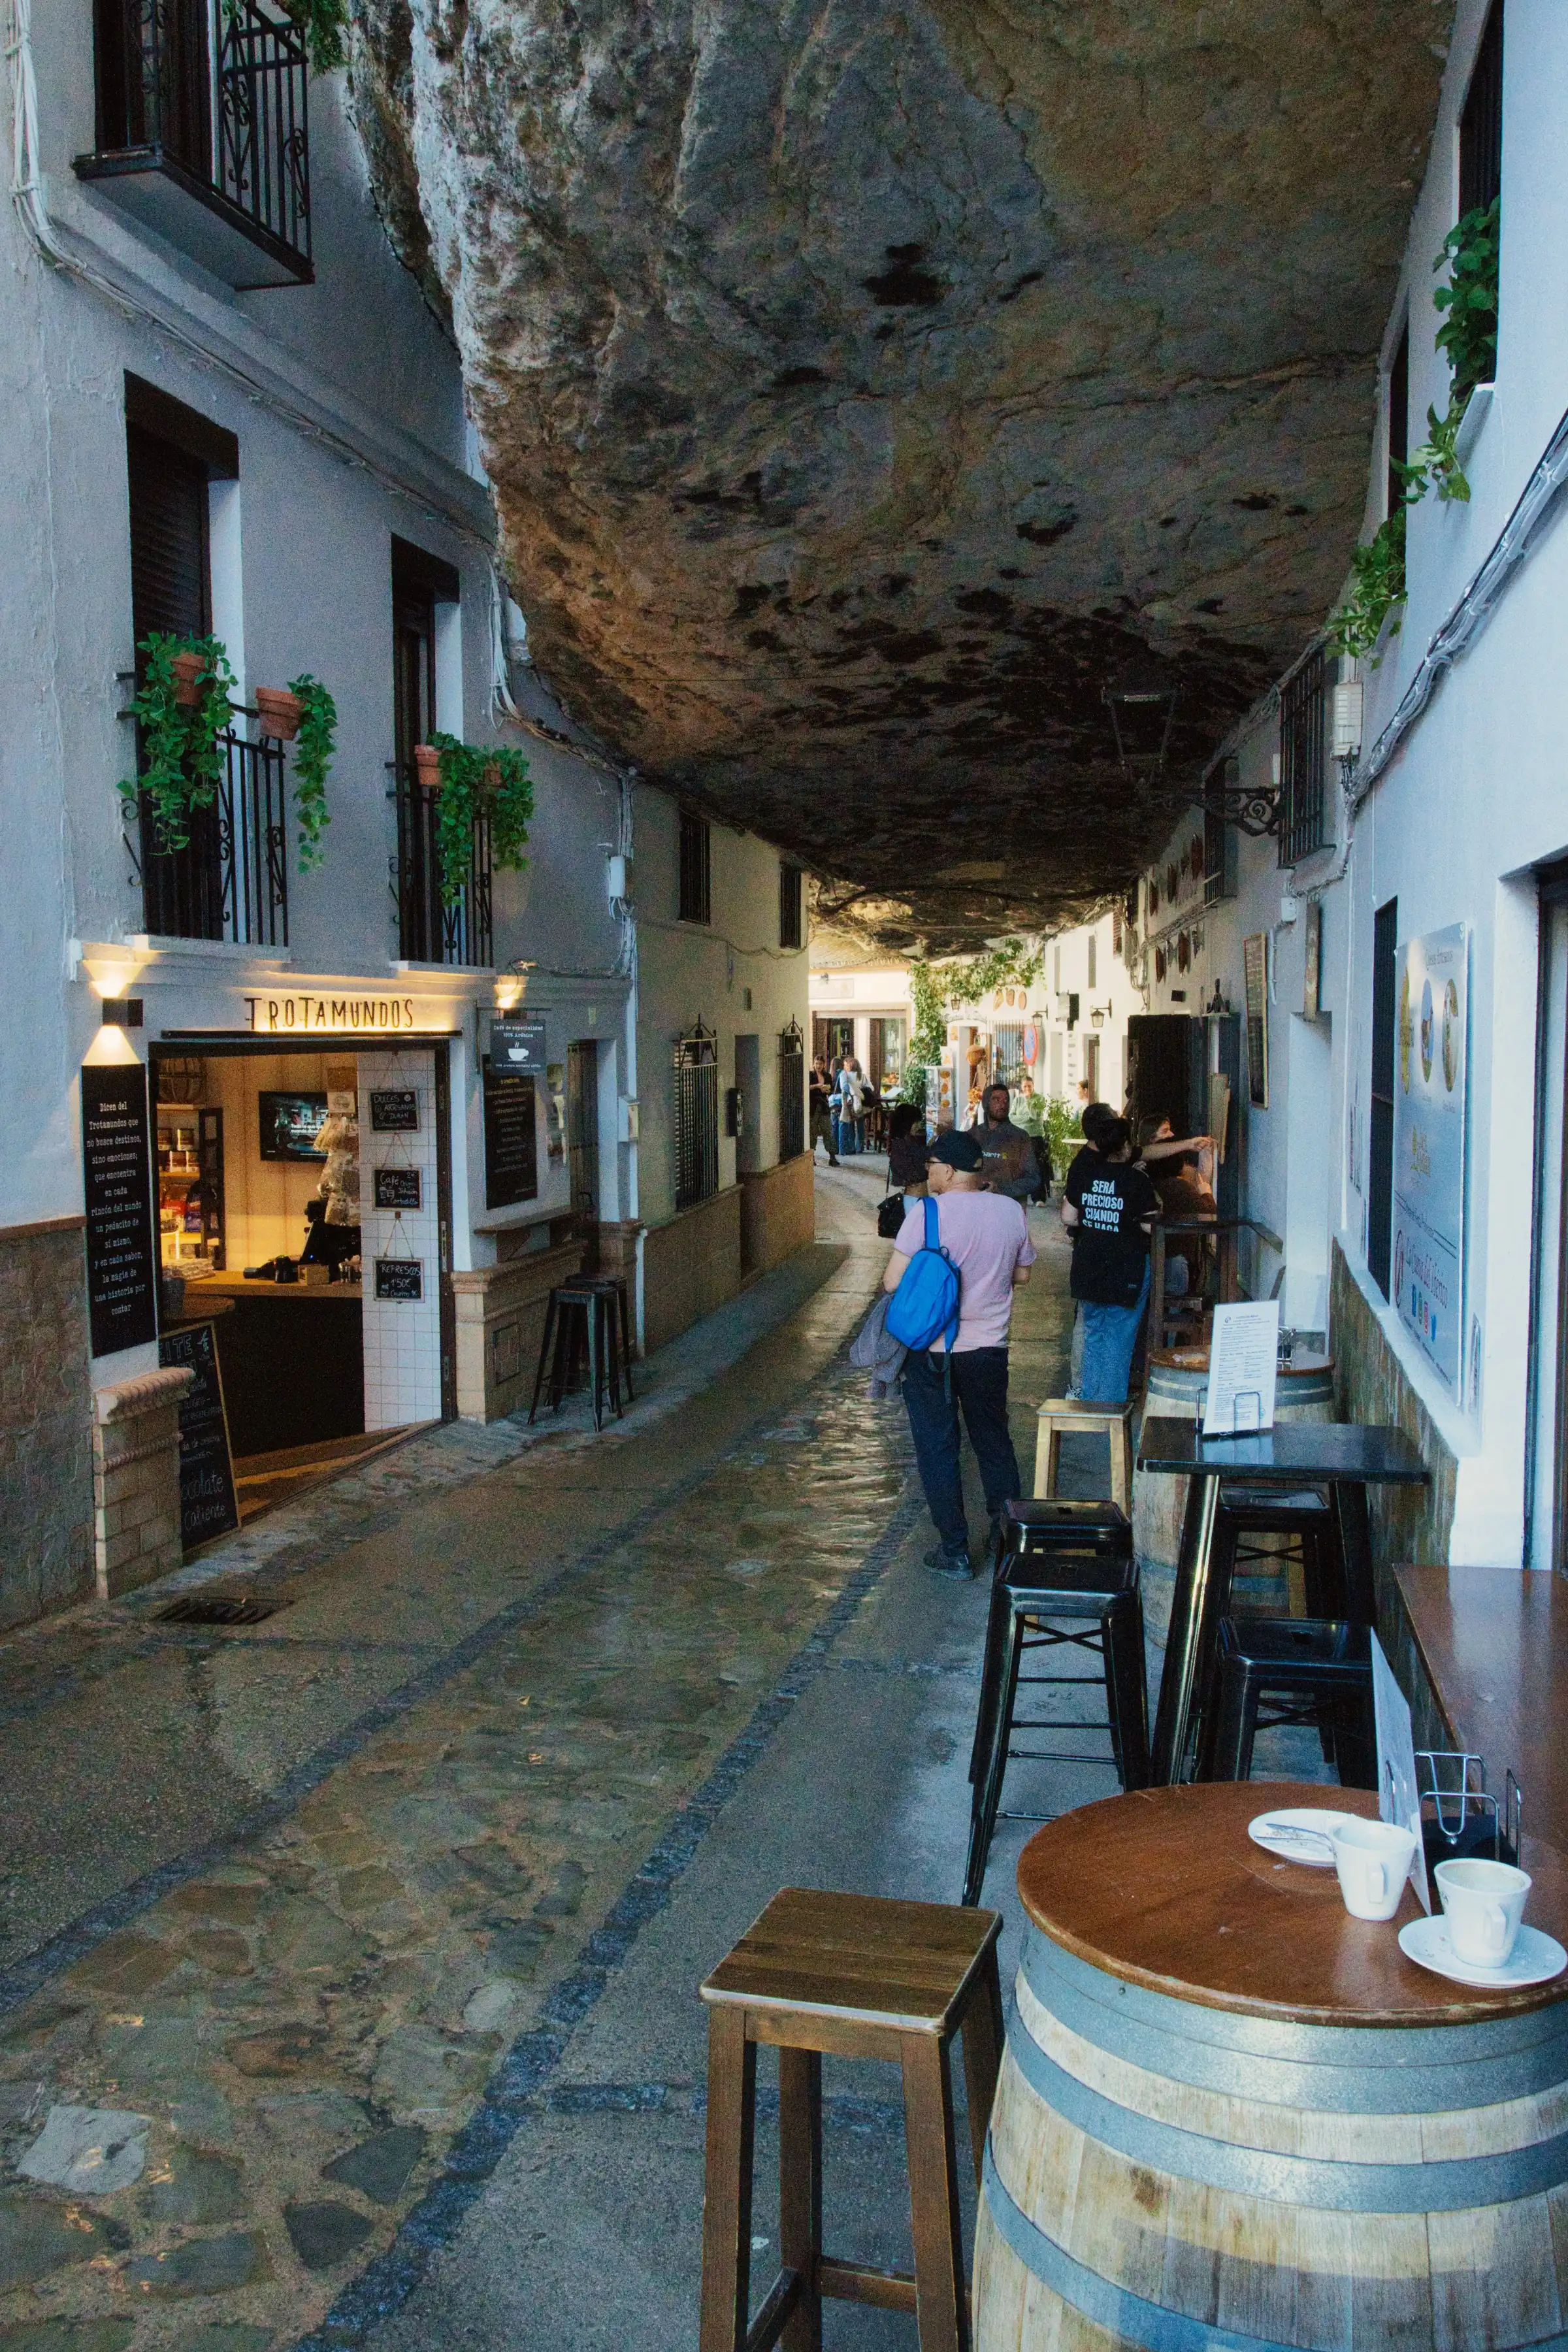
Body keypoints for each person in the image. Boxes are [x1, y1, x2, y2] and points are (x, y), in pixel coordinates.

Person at [884, 1128, 1035, 1577]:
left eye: (932, 1166)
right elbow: (1023, 1277)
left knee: (938, 1446)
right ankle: (1006, 1537)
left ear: (948, 1171)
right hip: (989, 1349)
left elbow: (893, 1282)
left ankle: (954, 1550)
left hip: (933, 1353)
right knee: (993, 1441)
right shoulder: (1010, 1211)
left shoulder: (926, 1214)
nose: (928, 1173)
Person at [1061, 1115, 1159, 1403]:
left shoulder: (1084, 1174)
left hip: (1089, 1264)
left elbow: (1069, 1216)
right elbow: (1151, 1225)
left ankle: (1091, 1401)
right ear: (1126, 1146)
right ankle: (1110, 1408)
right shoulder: (1137, 1181)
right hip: (1125, 1267)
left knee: (1093, 1334)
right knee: (1119, 1339)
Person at [1137, 1115, 1217, 1296]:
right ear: (1151, 1140)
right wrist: (1206, 1192)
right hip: (1173, 1259)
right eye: (1165, 1131)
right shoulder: (1175, 1185)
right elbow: (1208, 1216)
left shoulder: (1141, 1176)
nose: (1172, 1134)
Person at [972, 1082, 1044, 1205]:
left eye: (1006, 1100)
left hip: (1009, 1209)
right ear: (986, 1103)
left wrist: (1001, 1190)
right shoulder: (973, 1135)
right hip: (976, 1207)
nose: (1002, 1104)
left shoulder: (1020, 1137)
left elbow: (1033, 1178)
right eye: (996, 1099)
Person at [886, 1101, 930, 1198]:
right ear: (907, 1123)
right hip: (914, 1198)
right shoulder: (901, 1146)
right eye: (916, 1123)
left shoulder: (905, 1141)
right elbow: (912, 1174)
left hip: (917, 1196)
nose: (918, 1126)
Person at [809, 1060, 839, 1165]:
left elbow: (830, 1090)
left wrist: (827, 1090)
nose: (818, 1066)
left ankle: (832, 1157)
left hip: (824, 1106)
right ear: (814, 1064)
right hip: (813, 1106)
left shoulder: (827, 1076)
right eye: (817, 1064)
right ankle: (811, 1157)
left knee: (828, 1131)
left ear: (824, 1065)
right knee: (812, 1132)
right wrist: (817, 1086)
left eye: (821, 1064)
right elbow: (806, 1088)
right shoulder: (810, 1075)